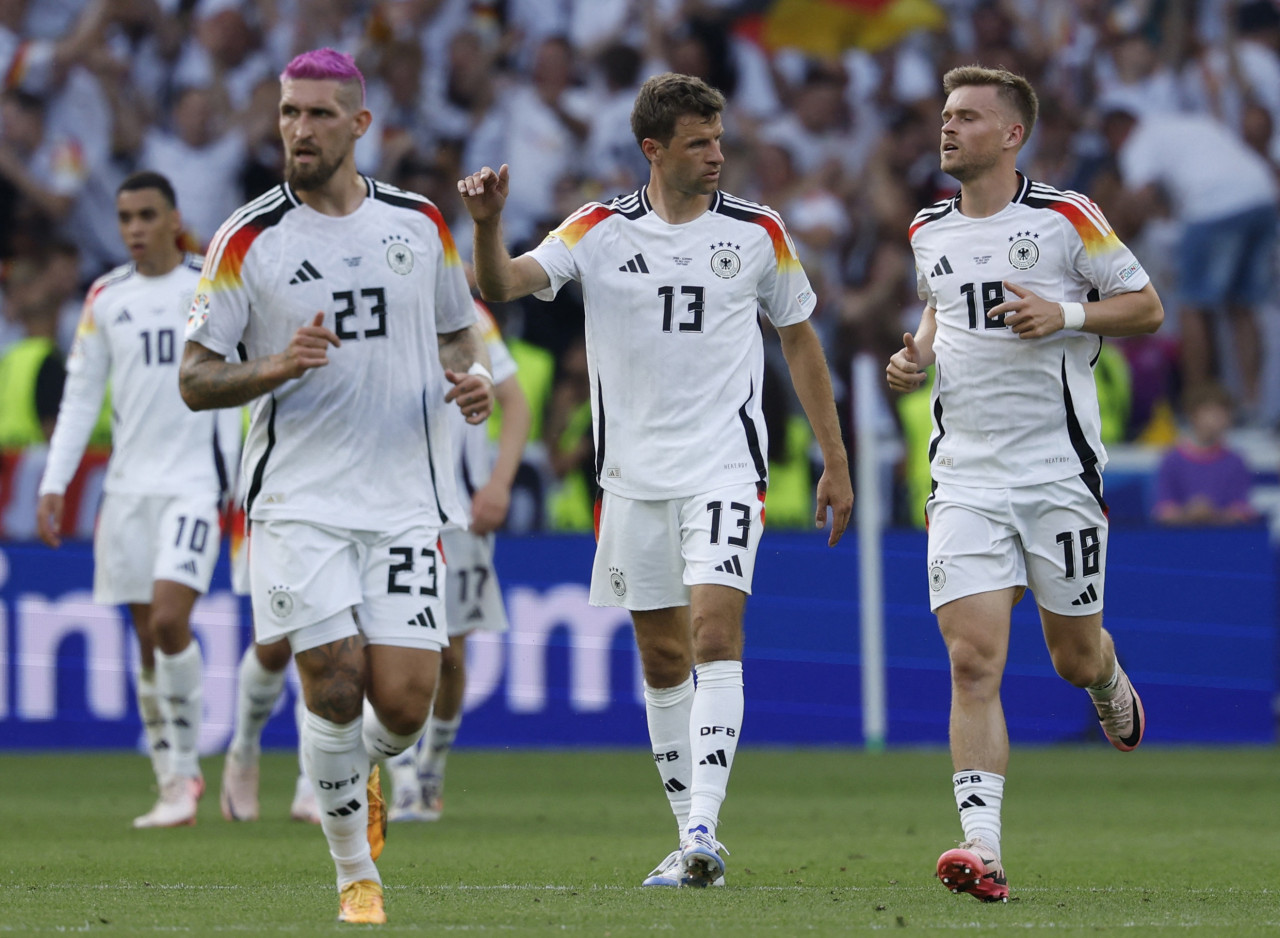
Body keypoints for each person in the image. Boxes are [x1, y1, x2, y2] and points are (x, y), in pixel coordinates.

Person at [457, 71, 854, 889]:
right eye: (698, 142)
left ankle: (706, 826)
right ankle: (688, 837)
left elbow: (800, 341)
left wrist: (835, 460)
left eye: (719, 139)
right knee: (662, 654)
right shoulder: (598, 228)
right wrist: (488, 226)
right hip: (631, 479)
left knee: (714, 637)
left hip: (724, 468)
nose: (715, 155)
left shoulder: (757, 232)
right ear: (653, 149)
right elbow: (500, 285)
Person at [178, 48, 493, 926]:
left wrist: (467, 383)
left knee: (400, 707)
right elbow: (195, 379)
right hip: (296, 504)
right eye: (288, 113)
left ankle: (362, 773)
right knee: (331, 682)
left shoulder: (420, 223)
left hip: (401, 503)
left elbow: (457, 336)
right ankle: (358, 877)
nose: (299, 130)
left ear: (360, 125)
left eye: (319, 115)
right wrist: (277, 365)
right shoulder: (246, 239)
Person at [885, 65, 1164, 903]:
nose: (947, 128)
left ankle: (1110, 680)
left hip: (1057, 475)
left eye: (967, 117)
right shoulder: (926, 228)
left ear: (1012, 135)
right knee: (973, 661)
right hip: (965, 475)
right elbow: (940, 301)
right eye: (944, 115)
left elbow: (1146, 306)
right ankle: (983, 847)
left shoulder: (1066, 219)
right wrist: (920, 352)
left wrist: (1066, 314)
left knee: (1071, 655)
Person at [35, 170, 238, 828]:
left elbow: (235, 386)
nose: (135, 229)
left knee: (170, 622)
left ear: (173, 217)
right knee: (145, 641)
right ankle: (172, 782)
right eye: (125, 217)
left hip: (192, 487)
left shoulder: (206, 289)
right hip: (126, 492)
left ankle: (188, 765)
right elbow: (80, 398)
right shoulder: (105, 298)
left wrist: (240, 480)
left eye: (147, 215)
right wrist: (54, 483)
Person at [386, 299, 532, 821]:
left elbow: (515, 402)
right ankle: (401, 776)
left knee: (451, 656)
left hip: (460, 512)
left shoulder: (470, 319)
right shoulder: (375, 304)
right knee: (384, 649)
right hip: (391, 509)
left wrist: (499, 483)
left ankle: (432, 770)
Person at [1151, 383, 1259, 526]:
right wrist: (1189, 513)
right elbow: (1162, 511)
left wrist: (1213, 514)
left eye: (1224, 413)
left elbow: (1243, 509)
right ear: (1193, 415)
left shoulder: (1235, 461)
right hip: (1180, 541)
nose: (1219, 419)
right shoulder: (1172, 460)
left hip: (1224, 540)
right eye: (1212, 412)